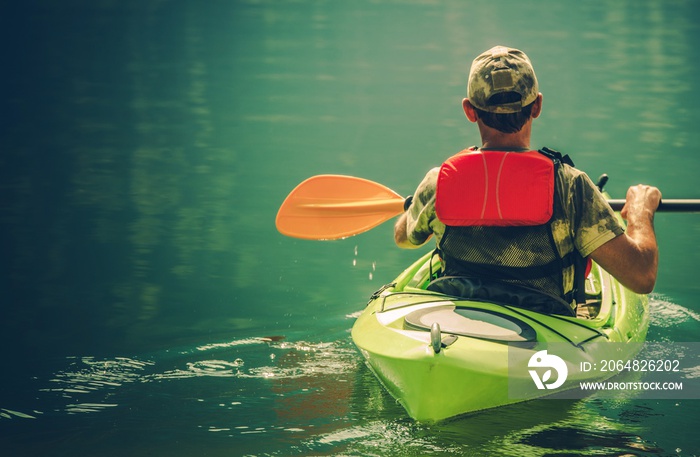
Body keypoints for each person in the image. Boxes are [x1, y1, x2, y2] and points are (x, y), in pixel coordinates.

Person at [394, 45, 661, 316]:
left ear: (469, 110)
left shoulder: (438, 182)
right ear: (537, 106)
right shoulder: (570, 187)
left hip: (456, 324)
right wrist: (641, 212)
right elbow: (641, 277)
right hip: (545, 327)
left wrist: (415, 208)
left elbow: (403, 238)